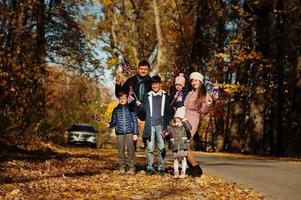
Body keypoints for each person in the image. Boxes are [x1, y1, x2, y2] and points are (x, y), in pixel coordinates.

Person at [136, 75, 172, 176]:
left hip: (161, 125)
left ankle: (161, 168)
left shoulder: (166, 96)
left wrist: (168, 124)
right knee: (150, 148)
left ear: (160, 84)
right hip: (150, 124)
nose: (154, 86)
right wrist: (140, 106)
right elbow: (144, 111)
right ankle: (150, 168)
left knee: (161, 147)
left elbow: (169, 112)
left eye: (156, 84)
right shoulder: (147, 96)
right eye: (153, 84)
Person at [184, 72, 212, 177]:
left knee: (184, 144)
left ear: (200, 81)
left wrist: (208, 105)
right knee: (182, 144)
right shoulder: (190, 92)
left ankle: (196, 168)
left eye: (195, 80)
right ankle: (190, 168)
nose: (193, 82)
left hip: (192, 119)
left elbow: (204, 111)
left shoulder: (204, 94)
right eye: (192, 80)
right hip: (184, 119)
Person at [106, 91, 139, 175]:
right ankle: (122, 166)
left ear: (127, 99)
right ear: (119, 99)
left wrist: (135, 133)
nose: (122, 100)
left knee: (131, 150)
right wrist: (109, 124)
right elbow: (114, 121)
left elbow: (135, 121)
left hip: (130, 132)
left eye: (124, 98)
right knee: (121, 151)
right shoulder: (116, 109)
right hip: (120, 132)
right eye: (120, 98)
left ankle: (132, 167)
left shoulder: (131, 108)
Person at [168, 106, 192, 178]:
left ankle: (183, 172)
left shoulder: (184, 126)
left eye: (179, 118)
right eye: (176, 117)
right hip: (175, 145)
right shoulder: (171, 126)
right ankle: (176, 172)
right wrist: (166, 135)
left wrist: (184, 120)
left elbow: (189, 128)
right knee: (176, 159)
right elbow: (167, 134)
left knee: (183, 159)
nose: (177, 119)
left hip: (183, 145)